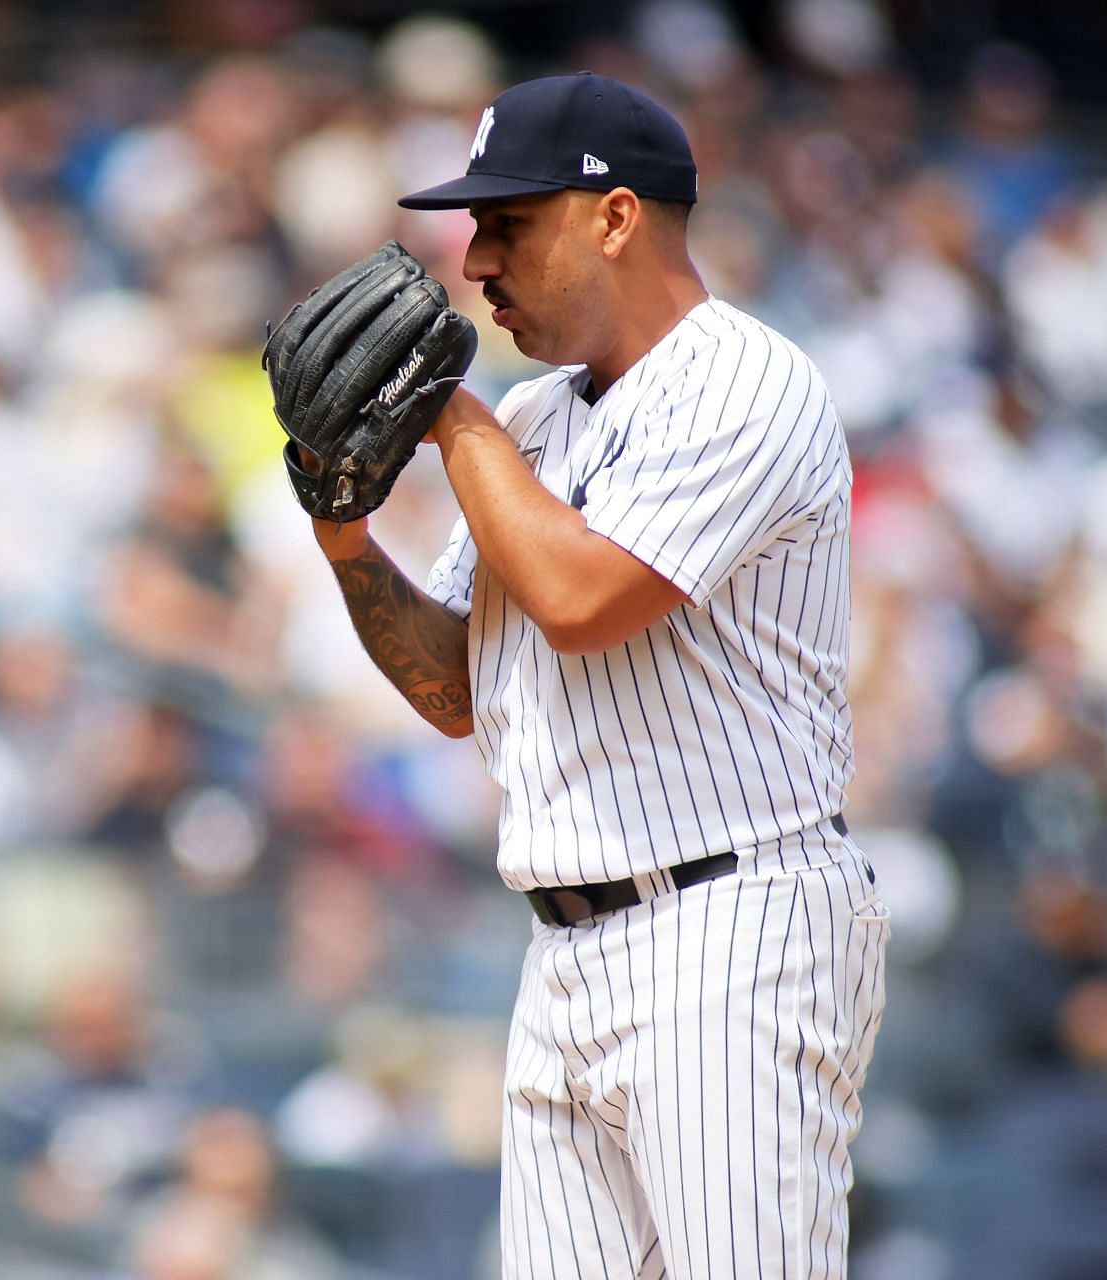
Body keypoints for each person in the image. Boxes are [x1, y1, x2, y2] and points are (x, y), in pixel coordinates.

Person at [304, 73, 889, 1278]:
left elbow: (581, 602)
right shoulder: (531, 419)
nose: (474, 263)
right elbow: (454, 689)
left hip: (732, 928)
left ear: (614, 217)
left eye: (506, 223)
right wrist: (346, 540)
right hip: (566, 951)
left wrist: (449, 421)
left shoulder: (747, 380)